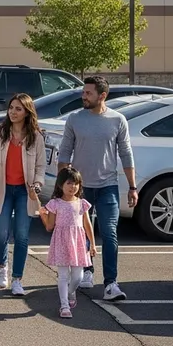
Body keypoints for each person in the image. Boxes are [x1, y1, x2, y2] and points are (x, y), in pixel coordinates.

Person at [57, 75, 136, 301]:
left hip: (108, 186)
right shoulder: (75, 119)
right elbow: (65, 152)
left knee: (110, 233)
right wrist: (63, 186)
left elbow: (126, 153)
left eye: (88, 93)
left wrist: (132, 187)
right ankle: (87, 272)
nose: (84, 96)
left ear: (102, 95)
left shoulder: (117, 120)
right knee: (83, 232)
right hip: (79, 190)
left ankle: (111, 283)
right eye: (83, 92)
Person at [0, 93, 45, 296]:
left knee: (22, 236)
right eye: (11, 108)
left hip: (25, 192)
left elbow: (41, 166)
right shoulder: (0, 131)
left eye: (18, 109)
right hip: (2, 189)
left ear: (27, 112)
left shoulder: (36, 136)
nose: (13, 112)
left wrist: (37, 184)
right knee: (0, 235)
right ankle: (2, 265)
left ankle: (17, 278)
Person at [38, 167, 96, 318]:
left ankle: (71, 293)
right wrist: (43, 215)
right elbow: (50, 226)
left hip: (78, 242)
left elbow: (87, 225)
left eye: (76, 183)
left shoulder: (82, 203)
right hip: (61, 240)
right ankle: (64, 305)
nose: (73, 187)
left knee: (78, 276)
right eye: (69, 183)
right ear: (60, 185)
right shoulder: (55, 203)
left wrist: (93, 244)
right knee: (63, 275)